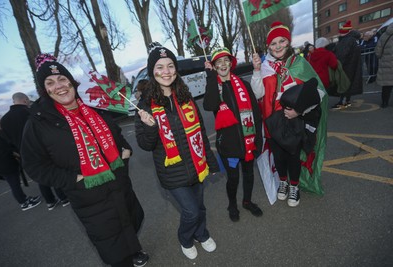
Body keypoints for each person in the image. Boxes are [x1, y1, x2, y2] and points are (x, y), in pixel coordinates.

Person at [21, 53, 148, 267]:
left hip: (119, 184)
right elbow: (34, 165)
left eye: (62, 79)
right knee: (109, 240)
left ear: (71, 82)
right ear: (44, 89)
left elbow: (116, 133)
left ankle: (134, 250)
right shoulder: (38, 122)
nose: (59, 86)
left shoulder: (93, 105)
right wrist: (72, 178)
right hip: (88, 196)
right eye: (50, 82)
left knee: (129, 221)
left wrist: (125, 151)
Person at [135, 43, 219, 260]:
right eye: (160, 67)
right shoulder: (145, 105)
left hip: (196, 165)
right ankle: (185, 239)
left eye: (170, 66)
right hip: (172, 173)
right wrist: (149, 126)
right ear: (152, 72)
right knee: (190, 211)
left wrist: (210, 161)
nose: (166, 72)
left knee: (199, 207)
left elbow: (200, 130)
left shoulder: (185, 96)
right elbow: (145, 145)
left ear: (175, 69)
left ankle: (202, 234)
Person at [251, 21, 328, 207]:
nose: (277, 46)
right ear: (268, 46)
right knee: (278, 157)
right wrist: (256, 71)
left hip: (294, 121)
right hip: (272, 122)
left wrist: (299, 111)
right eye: (273, 43)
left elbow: (317, 93)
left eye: (281, 41)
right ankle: (283, 183)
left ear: (288, 42)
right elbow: (258, 94)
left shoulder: (299, 63)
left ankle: (295, 186)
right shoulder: (265, 66)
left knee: (293, 155)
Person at [203, 47, 263, 222]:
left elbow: (255, 112)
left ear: (231, 62)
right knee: (233, 178)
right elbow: (209, 104)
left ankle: (247, 201)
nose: (223, 65)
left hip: (249, 140)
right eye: (218, 62)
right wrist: (210, 77)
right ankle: (232, 205)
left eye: (225, 60)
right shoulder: (215, 86)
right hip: (229, 145)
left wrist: (258, 139)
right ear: (214, 66)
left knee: (249, 174)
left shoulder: (243, 84)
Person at [0, 92, 70, 211]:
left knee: (40, 175)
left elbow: (7, 140)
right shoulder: (29, 112)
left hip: (23, 153)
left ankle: (50, 201)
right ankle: (63, 198)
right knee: (53, 171)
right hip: (41, 148)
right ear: (25, 100)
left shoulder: (4, 120)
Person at [0, 118, 41, 211]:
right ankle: (23, 203)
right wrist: (15, 154)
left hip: (2, 166)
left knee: (15, 183)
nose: (0, 125)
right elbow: (4, 150)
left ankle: (24, 198)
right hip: (5, 166)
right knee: (14, 184)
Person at [332, 20, 363, 109]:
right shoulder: (354, 40)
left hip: (345, 67)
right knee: (349, 83)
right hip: (352, 66)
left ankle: (343, 102)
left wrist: (336, 64)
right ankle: (347, 100)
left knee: (344, 84)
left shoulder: (347, 41)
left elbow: (342, 55)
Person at [375, 22, 393, 108]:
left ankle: (384, 103)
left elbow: (378, 52)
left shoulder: (384, 36)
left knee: (386, 85)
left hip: (386, 64)